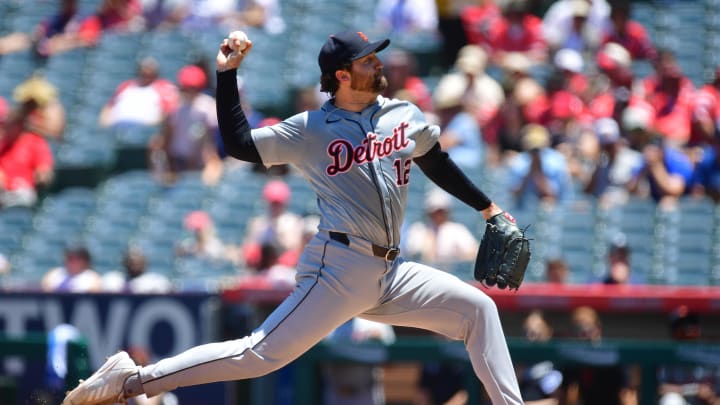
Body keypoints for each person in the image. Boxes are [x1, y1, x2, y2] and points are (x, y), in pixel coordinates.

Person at [63, 28, 524, 404]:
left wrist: (488, 208)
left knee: (477, 310)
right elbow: (240, 145)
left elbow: (434, 159)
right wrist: (226, 75)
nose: (378, 64)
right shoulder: (311, 128)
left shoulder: (402, 114)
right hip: (339, 266)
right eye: (368, 61)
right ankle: (134, 381)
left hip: (391, 269)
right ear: (342, 75)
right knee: (258, 354)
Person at [148, 64, 222, 185]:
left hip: (200, 161)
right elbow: (167, 136)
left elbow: (211, 141)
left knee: (211, 171)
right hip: (177, 161)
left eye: (192, 87)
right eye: (186, 87)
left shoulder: (207, 105)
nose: (189, 90)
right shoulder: (175, 105)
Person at [99, 57, 179, 129]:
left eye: (149, 74)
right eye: (143, 74)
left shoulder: (164, 87)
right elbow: (108, 107)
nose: (146, 77)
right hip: (118, 127)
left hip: (146, 131)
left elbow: (169, 113)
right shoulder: (126, 86)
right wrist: (105, 123)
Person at [404, 188, 479, 264]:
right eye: (435, 211)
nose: (438, 214)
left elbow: (473, 253)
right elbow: (412, 253)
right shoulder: (418, 229)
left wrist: (455, 256)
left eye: (441, 211)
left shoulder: (457, 230)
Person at [0, 108, 54, 209]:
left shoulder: (34, 142)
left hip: (23, 192)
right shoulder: (3, 144)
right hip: (3, 193)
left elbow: (44, 171)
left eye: (11, 124)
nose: (7, 128)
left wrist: (42, 176)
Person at [101, 247, 173, 294]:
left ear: (145, 262)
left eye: (137, 261)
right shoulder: (112, 278)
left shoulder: (156, 282)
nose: (134, 265)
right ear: (124, 262)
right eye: (131, 261)